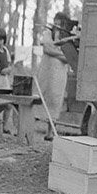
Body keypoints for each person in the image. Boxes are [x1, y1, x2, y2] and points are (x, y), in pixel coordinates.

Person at [36, 11, 73, 140]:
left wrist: (63, 55)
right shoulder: (48, 33)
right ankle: (31, 127)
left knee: (56, 99)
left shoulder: (67, 36)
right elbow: (47, 49)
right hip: (47, 70)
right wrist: (62, 55)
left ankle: (51, 131)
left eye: (60, 22)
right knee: (43, 96)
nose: (57, 24)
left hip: (60, 73)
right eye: (56, 21)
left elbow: (70, 55)